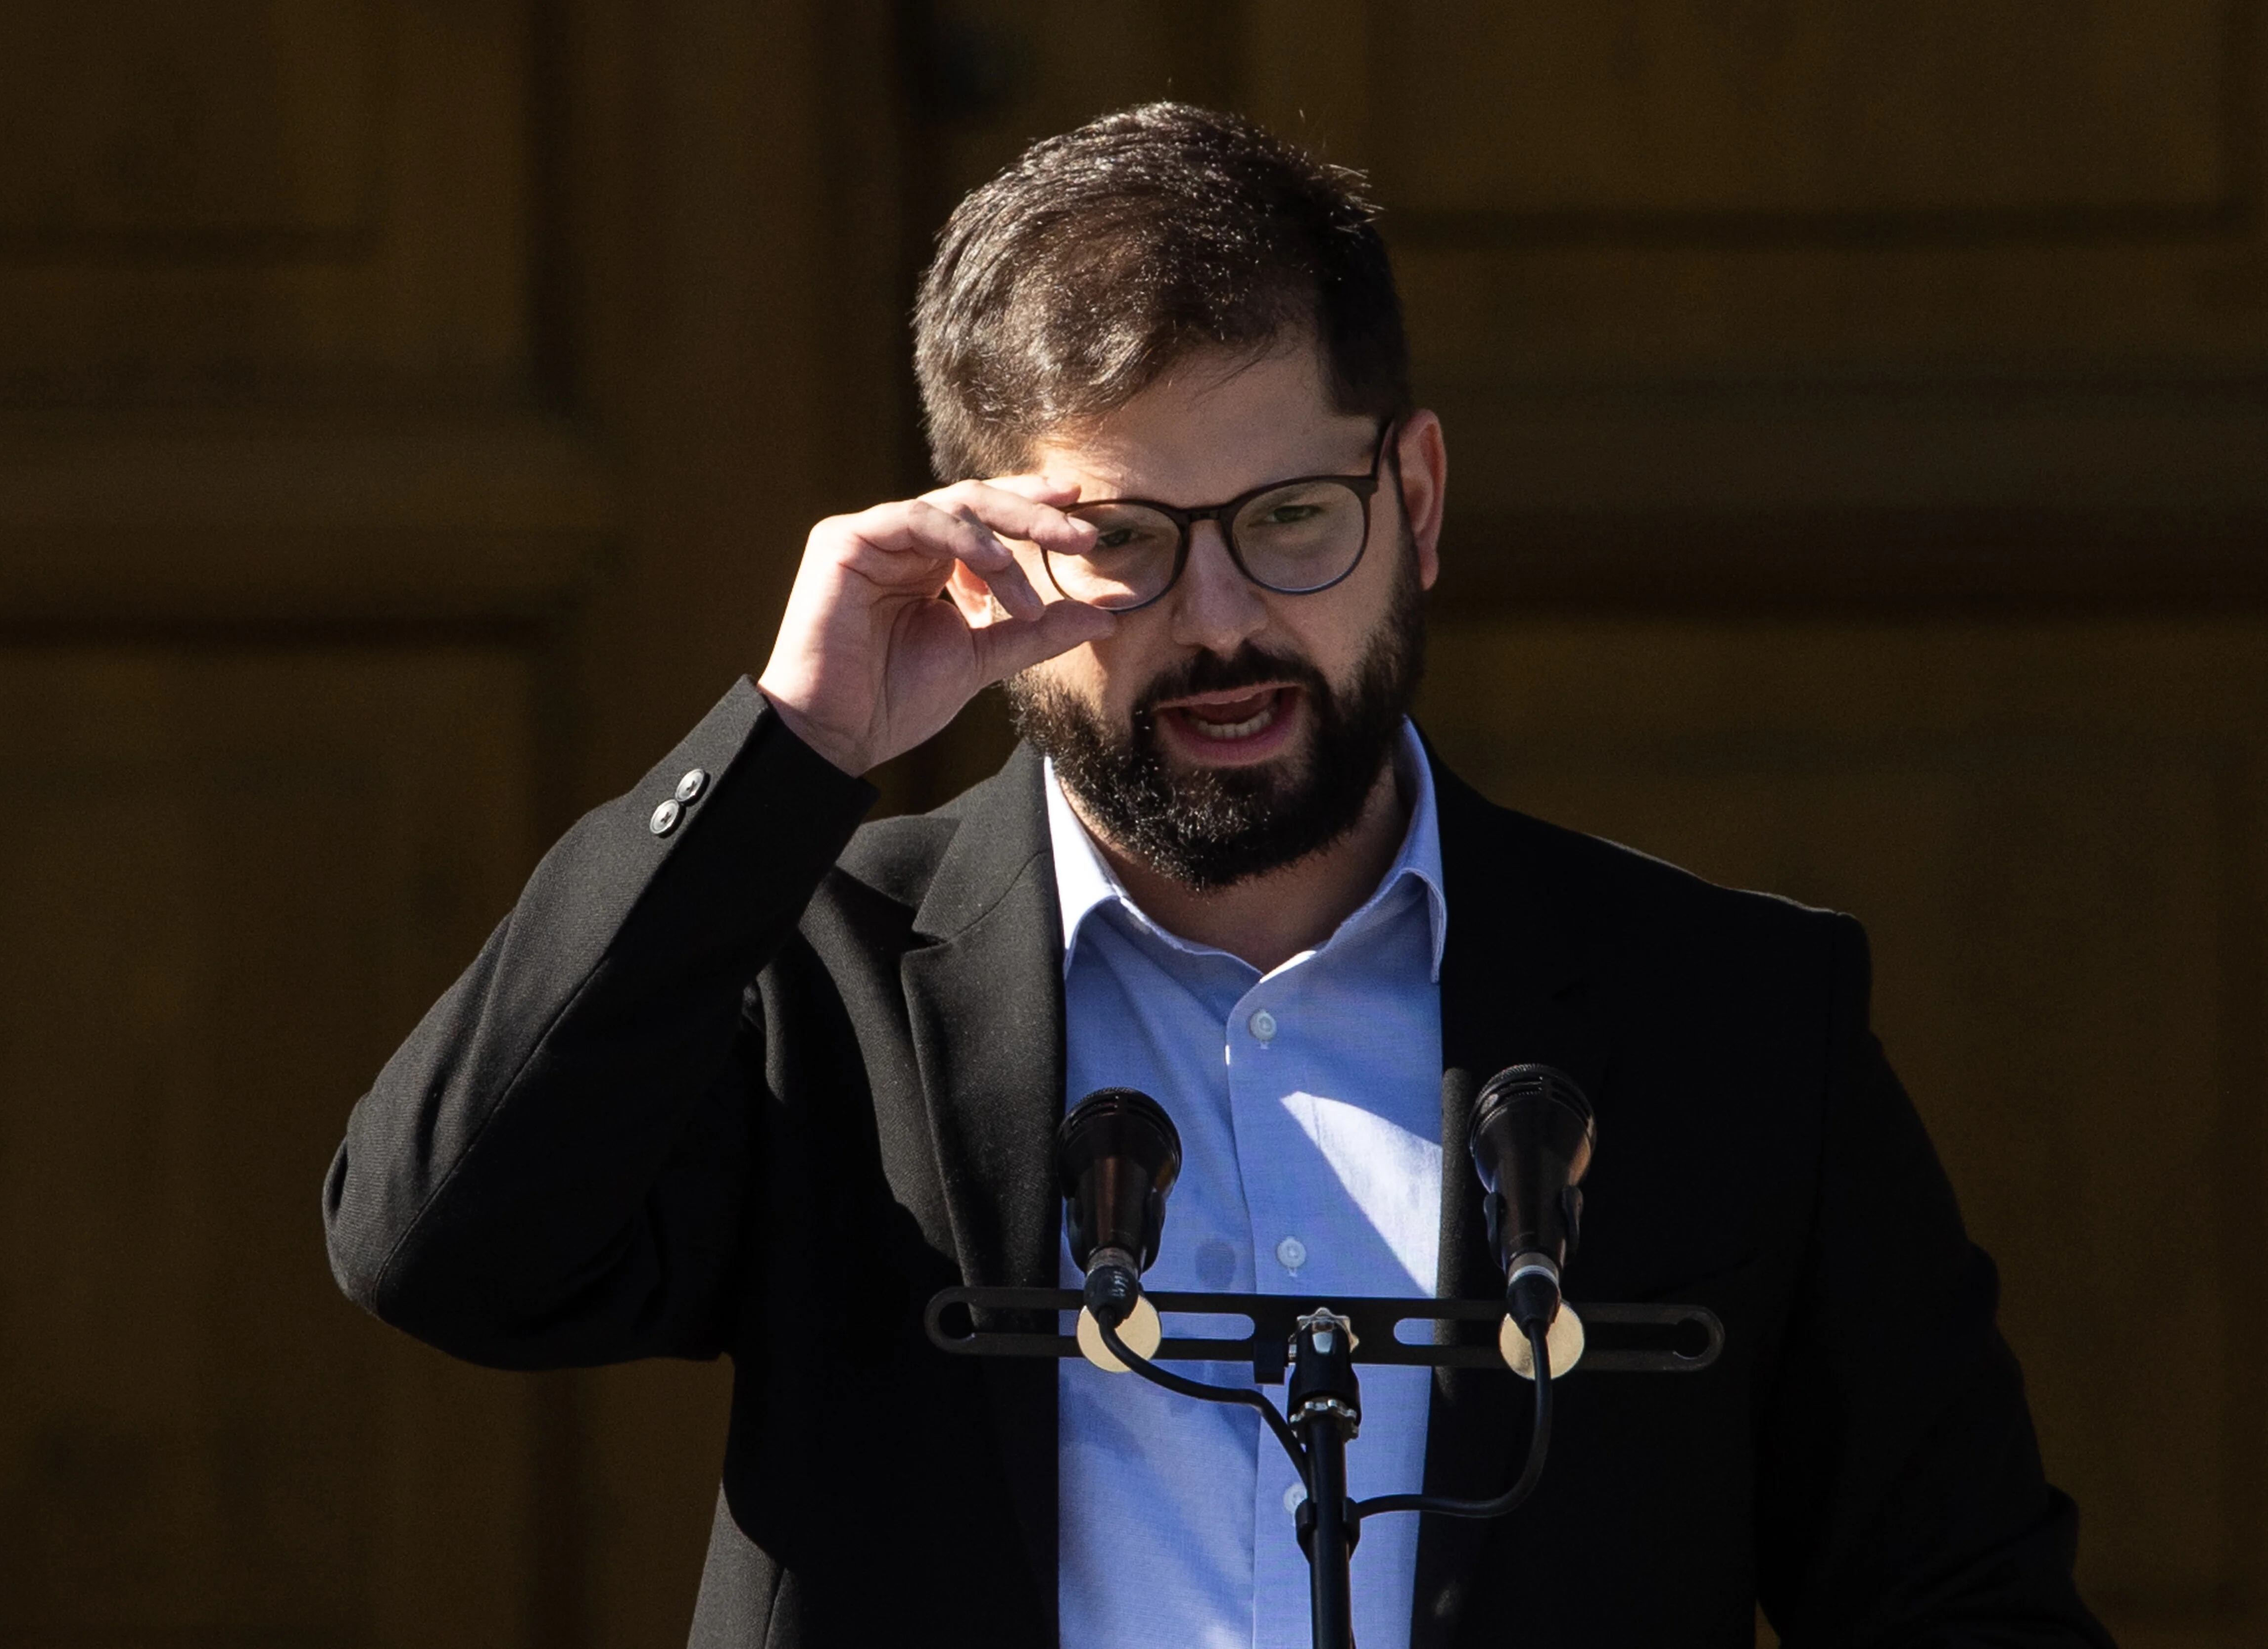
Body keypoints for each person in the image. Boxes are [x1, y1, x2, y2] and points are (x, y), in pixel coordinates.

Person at [324, 103, 2111, 1649]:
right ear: (974, 557)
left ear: (1412, 495)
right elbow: (439, 1248)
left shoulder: (1729, 1019)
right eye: (1117, 545)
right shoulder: (813, 969)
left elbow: (1959, 1604)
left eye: (1289, 520)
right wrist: (790, 741)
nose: (1223, 620)